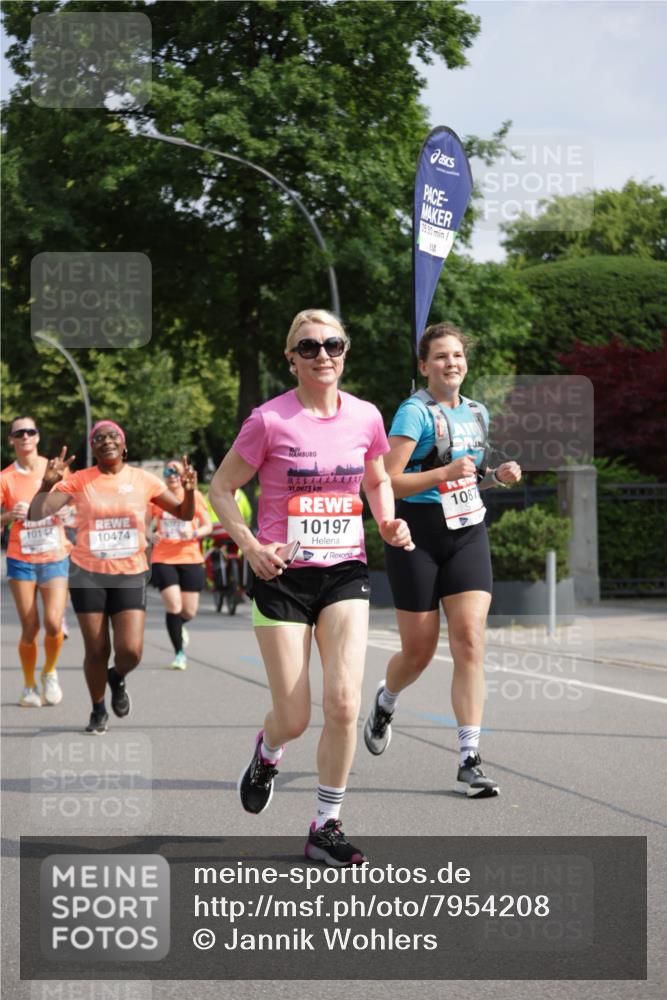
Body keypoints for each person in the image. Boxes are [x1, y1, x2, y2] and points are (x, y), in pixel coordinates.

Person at [209, 308, 413, 866]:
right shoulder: (269, 421)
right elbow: (222, 489)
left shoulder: (367, 416)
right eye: (309, 347)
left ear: (345, 351)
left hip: (345, 570)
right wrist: (250, 546)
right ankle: (269, 750)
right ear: (291, 358)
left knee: (345, 702)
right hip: (282, 576)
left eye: (333, 344)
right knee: (295, 716)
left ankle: (326, 823)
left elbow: (376, 479)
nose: (323, 354)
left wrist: (388, 519)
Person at [363, 323, 521, 797]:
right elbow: (387, 481)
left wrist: (495, 477)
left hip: (467, 532)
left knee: (470, 640)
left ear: (465, 362)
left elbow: (467, 478)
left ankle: (470, 758)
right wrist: (444, 473)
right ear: (424, 366)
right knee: (419, 653)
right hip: (416, 535)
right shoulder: (413, 413)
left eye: (457, 355)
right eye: (440, 357)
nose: (451, 363)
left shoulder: (477, 412)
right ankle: (386, 701)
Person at [28, 421, 196, 734]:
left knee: (131, 650)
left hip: (130, 574)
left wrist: (189, 489)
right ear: (93, 448)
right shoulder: (79, 480)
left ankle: (117, 677)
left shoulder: (143, 479)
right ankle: (98, 708)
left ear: (124, 445)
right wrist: (46, 484)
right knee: (95, 650)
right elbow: (36, 513)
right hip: (87, 573)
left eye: (113, 436)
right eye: (99, 438)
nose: (106, 441)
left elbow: (184, 514)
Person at [1, 415, 70, 708]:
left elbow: (76, 502)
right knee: (31, 627)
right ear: (12, 440)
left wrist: (66, 512)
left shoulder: (54, 469)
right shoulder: (5, 478)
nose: (25, 436)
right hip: (22, 558)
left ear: (38, 437)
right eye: (20, 433)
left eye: (30, 431)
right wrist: (9, 516)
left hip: (54, 554)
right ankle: (29, 685)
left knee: (54, 624)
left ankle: (49, 671)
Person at [150, 459, 212, 669]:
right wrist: (150, 535)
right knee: (174, 606)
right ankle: (179, 653)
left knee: (188, 611)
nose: (172, 475)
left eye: (177, 471)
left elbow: (208, 525)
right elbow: (141, 523)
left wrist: (194, 532)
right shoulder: (157, 497)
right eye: (168, 471)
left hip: (190, 556)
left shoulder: (194, 496)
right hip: (163, 557)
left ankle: (177, 626)